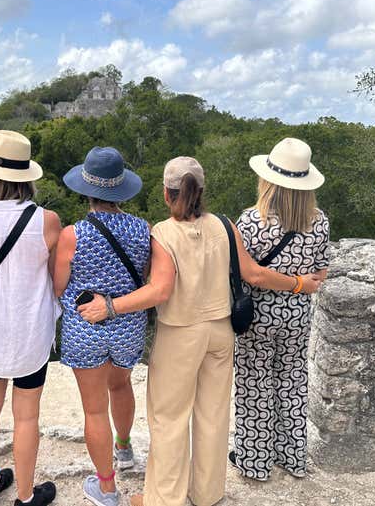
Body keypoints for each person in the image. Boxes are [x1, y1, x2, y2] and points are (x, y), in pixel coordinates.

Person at [78, 157, 324, 506]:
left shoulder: (163, 233)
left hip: (181, 334)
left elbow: (160, 290)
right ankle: (207, 493)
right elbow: (254, 274)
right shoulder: (225, 225)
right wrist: (299, 283)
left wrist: (110, 306)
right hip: (221, 331)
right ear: (201, 191)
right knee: (212, 416)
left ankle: (164, 499)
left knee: (169, 419)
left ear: (167, 193)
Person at [0, 130, 60, 506]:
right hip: (29, 327)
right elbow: (55, 278)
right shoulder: (46, 220)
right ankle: (25, 494)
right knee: (26, 417)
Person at [53, 147, 150, 506]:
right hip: (128, 326)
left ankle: (107, 488)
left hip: (85, 328)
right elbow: (144, 278)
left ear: (86, 189)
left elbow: (58, 286)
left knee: (94, 409)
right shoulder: (143, 230)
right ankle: (124, 448)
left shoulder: (73, 234)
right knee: (121, 385)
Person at [229, 137, 329, 481]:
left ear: (268, 180)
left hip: (258, 316)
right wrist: (300, 283)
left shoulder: (250, 221)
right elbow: (320, 273)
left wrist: (288, 282)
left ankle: (255, 462)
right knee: (292, 384)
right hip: (297, 317)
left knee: (255, 385)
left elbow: (250, 274)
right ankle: (292, 458)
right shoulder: (319, 222)